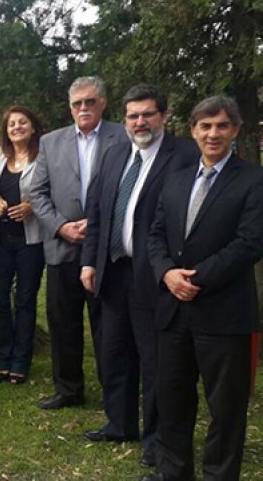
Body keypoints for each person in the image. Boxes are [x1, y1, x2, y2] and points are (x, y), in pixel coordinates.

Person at [79, 84, 199, 467]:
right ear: (124, 119)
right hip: (114, 271)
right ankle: (120, 423)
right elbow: (97, 212)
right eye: (133, 116)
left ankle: (158, 440)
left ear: (163, 116)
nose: (140, 122)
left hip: (156, 275)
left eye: (147, 114)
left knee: (156, 361)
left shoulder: (184, 155)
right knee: (114, 352)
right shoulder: (115, 153)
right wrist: (89, 261)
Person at [145, 96, 263, 481]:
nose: (213, 133)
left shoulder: (254, 179)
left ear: (236, 130)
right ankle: (174, 473)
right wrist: (167, 273)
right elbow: (156, 235)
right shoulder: (176, 178)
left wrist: (194, 279)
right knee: (172, 402)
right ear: (193, 131)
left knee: (226, 410)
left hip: (224, 313)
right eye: (206, 126)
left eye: (222, 126)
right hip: (173, 311)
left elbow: (250, 243)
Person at [29, 76, 127, 409]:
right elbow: (37, 193)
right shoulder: (50, 141)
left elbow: (131, 188)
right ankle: (68, 390)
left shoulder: (123, 136)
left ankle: (114, 392)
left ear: (103, 103)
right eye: (77, 103)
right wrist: (61, 226)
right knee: (63, 322)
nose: (83, 108)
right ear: (70, 107)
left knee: (108, 325)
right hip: (63, 245)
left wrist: (98, 225)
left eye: (90, 102)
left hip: (107, 249)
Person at [0, 106, 45, 385]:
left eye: (22, 122)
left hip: (31, 242)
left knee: (25, 300)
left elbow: (53, 191)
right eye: (11, 124)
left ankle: (20, 361)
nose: (17, 127)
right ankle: (3, 358)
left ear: (32, 127)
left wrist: (33, 207)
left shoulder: (44, 156)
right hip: (1, 240)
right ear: (5, 130)